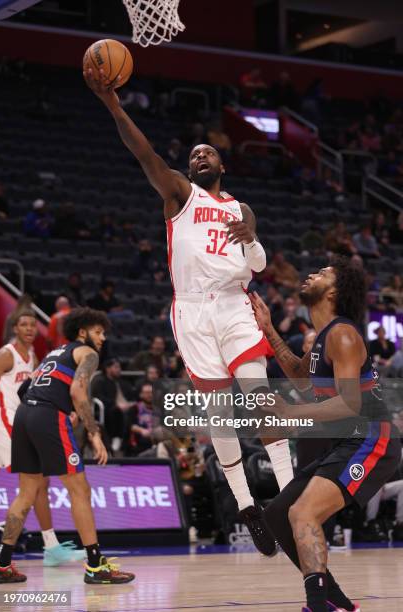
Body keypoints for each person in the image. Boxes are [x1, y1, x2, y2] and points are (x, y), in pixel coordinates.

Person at [84, 67, 296, 556]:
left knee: (261, 399)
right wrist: (115, 106)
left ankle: (288, 499)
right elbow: (145, 153)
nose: (200, 155)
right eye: (194, 153)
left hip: (235, 306)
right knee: (220, 415)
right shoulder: (180, 194)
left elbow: (256, 258)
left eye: (208, 152)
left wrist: (253, 240)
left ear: (223, 164)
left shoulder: (242, 208)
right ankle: (247, 505)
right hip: (193, 313)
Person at [250, 256, 401, 612]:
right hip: (348, 442)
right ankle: (338, 602)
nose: (312, 275)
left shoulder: (344, 335)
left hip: (372, 440)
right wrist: (268, 329)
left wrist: (288, 412)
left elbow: (348, 404)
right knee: (277, 514)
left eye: (322, 273)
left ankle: (318, 606)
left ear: (333, 291)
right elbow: (303, 380)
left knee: (303, 513)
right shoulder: (323, 338)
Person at [0, 308, 134, 584]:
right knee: (80, 489)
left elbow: (26, 390)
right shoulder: (88, 354)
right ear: (82, 332)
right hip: (47, 416)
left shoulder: (54, 353)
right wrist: (94, 434)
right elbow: (77, 391)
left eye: (104, 332)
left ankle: (1, 562)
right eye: (98, 331)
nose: (102, 337)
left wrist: (62, 406)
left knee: (26, 493)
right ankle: (95, 565)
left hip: (24, 414)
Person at [0, 310, 85, 568]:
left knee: (37, 484)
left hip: (22, 419)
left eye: (33, 325)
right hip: (4, 421)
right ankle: (46, 548)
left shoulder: (34, 356)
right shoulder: (5, 354)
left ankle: (49, 546)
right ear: (14, 327)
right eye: (24, 324)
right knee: (34, 484)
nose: (30, 329)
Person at [90, 357, 134, 449]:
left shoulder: (123, 383)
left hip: (125, 407)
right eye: (116, 367)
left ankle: (131, 443)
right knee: (116, 411)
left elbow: (132, 397)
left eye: (119, 368)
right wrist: (116, 404)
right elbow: (98, 397)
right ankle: (116, 438)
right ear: (108, 368)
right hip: (107, 408)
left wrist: (131, 404)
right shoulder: (100, 381)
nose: (119, 370)